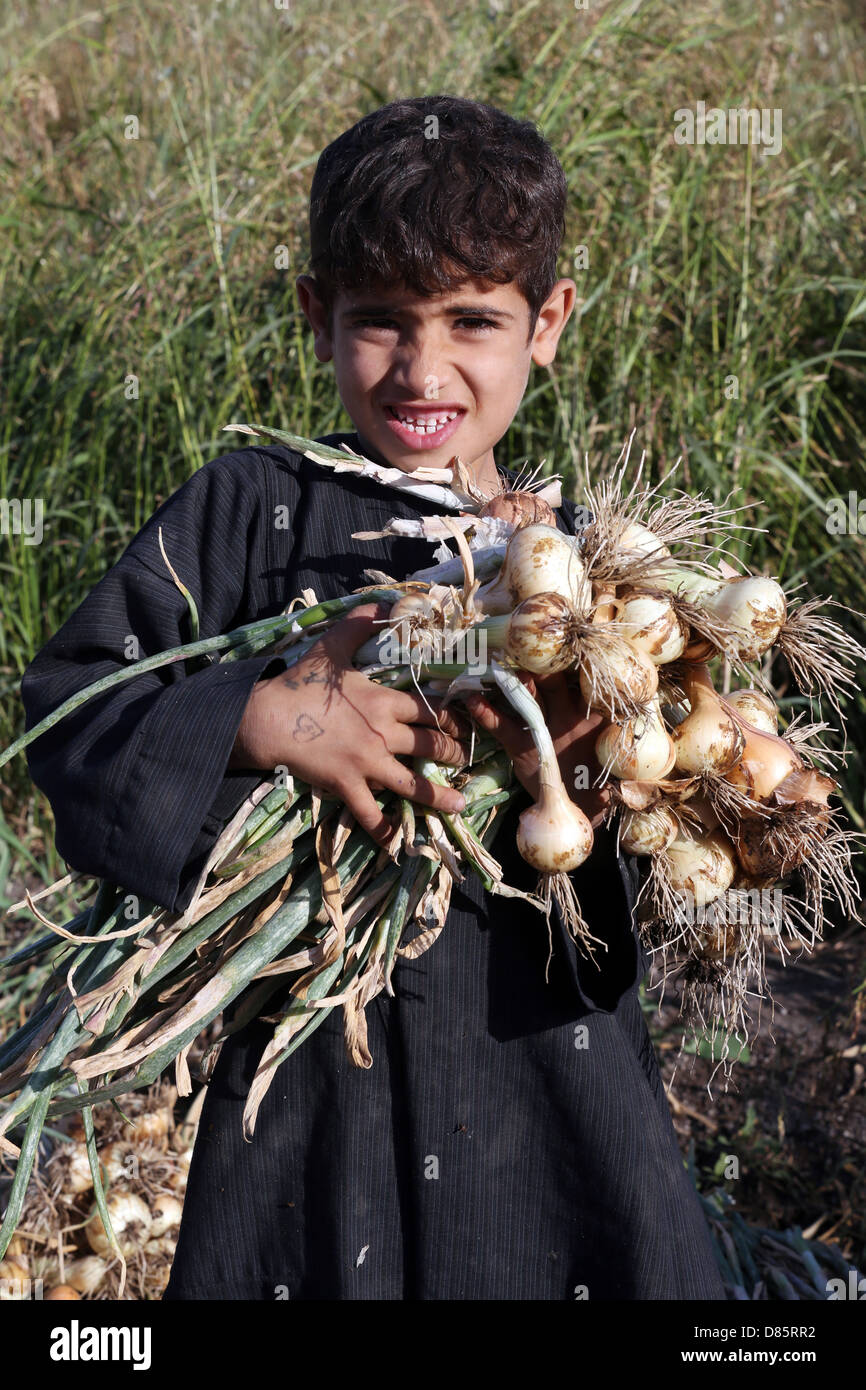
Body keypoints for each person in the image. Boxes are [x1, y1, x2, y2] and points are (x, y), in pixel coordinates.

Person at [20, 95, 725, 1301]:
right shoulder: (248, 510)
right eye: (379, 322)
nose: (422, 368)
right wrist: (269, 716)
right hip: (307, 1093)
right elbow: (72, 711)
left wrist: (603, 776)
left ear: (546, 323)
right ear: (314, 316)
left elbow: (659, 852)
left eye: (472, 321)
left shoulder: (598, 577)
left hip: (539, 1079)